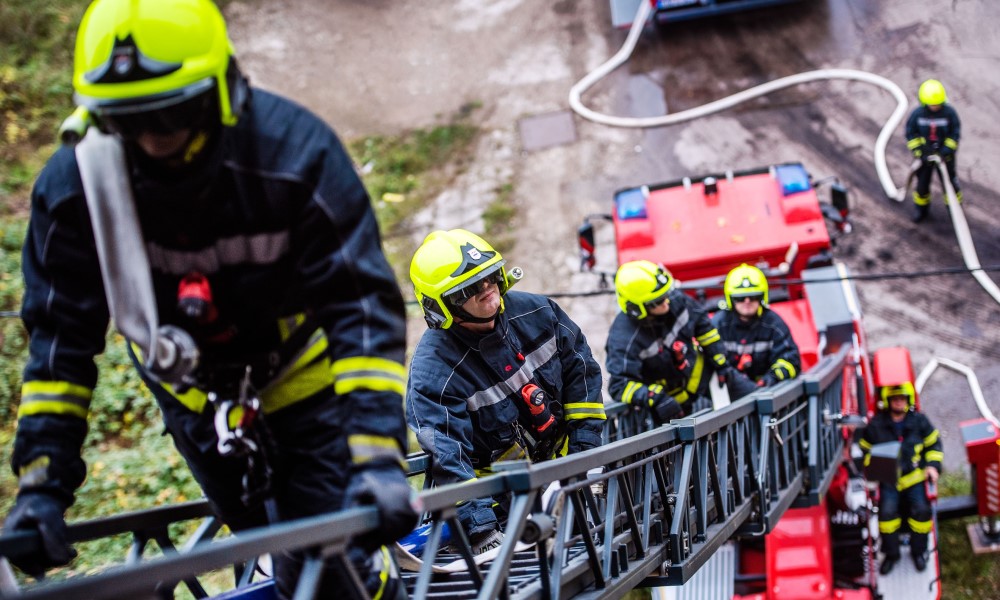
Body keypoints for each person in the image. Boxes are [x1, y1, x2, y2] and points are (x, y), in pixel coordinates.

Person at [4, 1, 417, 597]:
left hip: (305, 383)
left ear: (223, 91)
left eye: (170, 117)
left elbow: (360, 311)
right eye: (128, 122)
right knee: (259, 539)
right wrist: (42, 487)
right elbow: (58, 347)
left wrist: (377, 454)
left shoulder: (296, 158)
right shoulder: (74, 194)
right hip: (196, 395)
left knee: (325, 568)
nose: (153, 141)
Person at [406, 229, 606, 554]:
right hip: (506, 509)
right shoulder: (434, 372)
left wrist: (585, 454)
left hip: (569, 473)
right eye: (471, 287)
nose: (487, 289)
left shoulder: (540, 314)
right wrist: (481, 527)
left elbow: (582, 375)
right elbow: (447, 455)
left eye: (490, 276)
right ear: (441, 306)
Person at [605, 260, 728, 423]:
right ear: (637, 308)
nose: (667, 302)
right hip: (667, 408)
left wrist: (719, 359)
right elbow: (619, 386)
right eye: (658, 300)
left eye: (666, 294)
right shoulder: (623, 338)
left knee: (750, 399)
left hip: (701, 383)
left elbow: (703, 325)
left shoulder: (675, 299)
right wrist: (654, 398)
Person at [859, 382, 942, 575]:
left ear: (908, 400)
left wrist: (932, 466)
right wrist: (872, 467)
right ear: (888, 401)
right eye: (895, 399)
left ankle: (918, 552)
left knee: (921, 512)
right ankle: (891, 555)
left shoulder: (920, 421)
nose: (898, 402)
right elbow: (863, 449)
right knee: (886, 515)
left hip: (915, 479)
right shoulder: (876, 425)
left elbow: (934, 445)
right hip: (889, 481)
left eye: (902, 398)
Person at [711, 264, 800, 400]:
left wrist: (771, 378)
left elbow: (791, 360)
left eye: (753, 296)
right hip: (728, 397)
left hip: (769, 395)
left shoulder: (774, 324)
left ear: (762, 297)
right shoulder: (719, 325)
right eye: (740, 298)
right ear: (730, 298)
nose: (747, 301)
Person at [905, 79, 962, 223]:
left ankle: (955, 211)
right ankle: (921, 210)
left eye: (937, 104)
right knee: (922, 186)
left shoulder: (949, 113)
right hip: (925, 158)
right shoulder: (918, 115)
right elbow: (911, 134)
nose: (935, 106)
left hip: (945, 158)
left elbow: (954, 134)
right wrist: (920, 153)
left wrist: (945, 152)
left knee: (950, 185)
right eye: (932, 104)